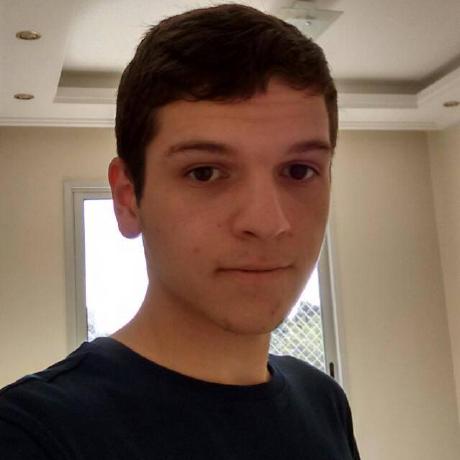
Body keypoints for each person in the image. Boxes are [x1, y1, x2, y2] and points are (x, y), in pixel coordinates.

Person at [0, 3, 360, 459]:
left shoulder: (324, 401)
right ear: (128, 198)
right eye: (205, 172)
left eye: (299, 170)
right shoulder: (32, 433)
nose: (269, 223)